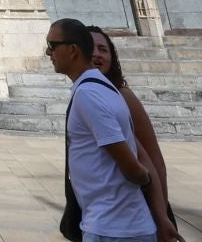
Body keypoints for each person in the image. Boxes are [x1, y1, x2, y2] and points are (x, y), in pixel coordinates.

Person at [47, 18, 156, 242]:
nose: (48, 53)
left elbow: (130, 163)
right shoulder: (103, 88)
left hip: (113, 228)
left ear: (73, 50)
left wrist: (144, 180)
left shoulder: (89, 95)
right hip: (116, 224)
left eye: (52, 45)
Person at [90, 27, 179, 242]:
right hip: (106, 215)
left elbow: (152, 158)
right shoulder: (90, 94)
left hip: (133, 219)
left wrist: (161, 217)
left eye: (103, 49)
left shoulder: (121, 96)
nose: (97, 54)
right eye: (90, 48)